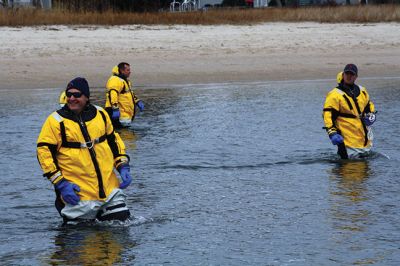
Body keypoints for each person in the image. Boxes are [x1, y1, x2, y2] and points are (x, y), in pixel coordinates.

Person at [37, 77, 133, 223]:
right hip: (78, 196)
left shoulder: (101, 114)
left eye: (77, 95)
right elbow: (43, 153)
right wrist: (60, 183)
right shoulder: (55, 121)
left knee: (121, 234)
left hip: (110, 192)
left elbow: (114, 141)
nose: (71, 98)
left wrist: (123, 165)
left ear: (87, 97)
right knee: (79, 242)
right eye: (69, 94)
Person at [323, 64, 376, 159]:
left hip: (364, 140)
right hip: (346, 141)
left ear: (356, 77)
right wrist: (332, 133)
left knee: (365, 171)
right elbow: (328, 115)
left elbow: (369, 106)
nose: (349, 76)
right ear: (343, 74)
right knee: (347, 167)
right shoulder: (334, 94)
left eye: (352, 74)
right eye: (347, 73)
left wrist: (372, 116)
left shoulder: (362, 91)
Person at [105, 62, 144, 128]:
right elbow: (113, 94)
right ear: (122, 70)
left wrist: (137, 101)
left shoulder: (124, 80)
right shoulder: (115, 80)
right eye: (128, 70)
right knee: (122, 133)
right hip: (117, 113)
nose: (130, 72)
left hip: (124, 113)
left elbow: (129, 93)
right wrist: (115, 109)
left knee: (125, 132)